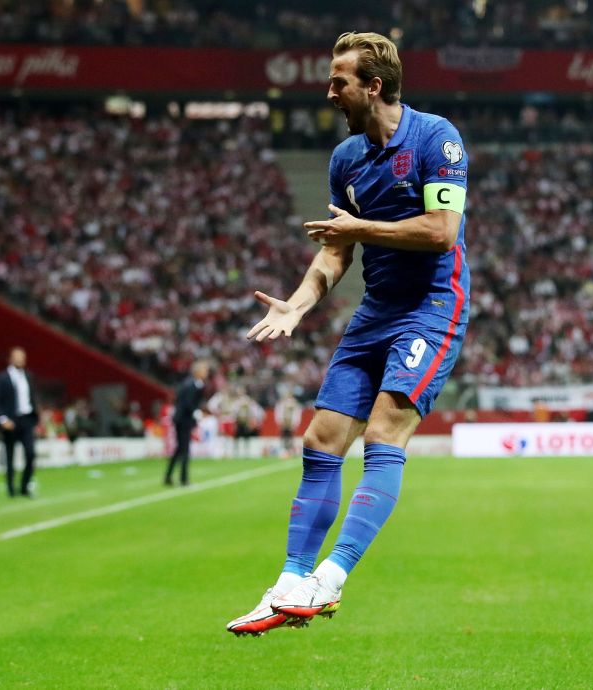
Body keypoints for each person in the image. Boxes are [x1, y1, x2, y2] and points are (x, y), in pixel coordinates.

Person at [227, 31, 469, 635]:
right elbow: (335, 251)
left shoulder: (437, 138)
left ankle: (329, 579)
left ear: (373, 86)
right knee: (321, 440)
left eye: (339, 82)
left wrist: (362, 227)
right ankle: (289, 583)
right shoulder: (346, 159)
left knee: (383, 433)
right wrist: (298, 304)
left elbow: (441, 231)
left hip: (431, 307)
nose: (330, 92)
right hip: (375, 311)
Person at [0, 347, 39, 498]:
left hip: (26, 419)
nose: (20, 360)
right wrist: (3, 419)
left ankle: (25, 486)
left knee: (31, 453)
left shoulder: (29, 376)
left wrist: (35, 417)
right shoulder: (2, 378)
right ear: (11, 359)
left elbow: (32, 398)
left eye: (22, 357)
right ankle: (11, 488)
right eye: (17, 357)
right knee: (10, 457)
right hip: (10, 421)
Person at [164, 360, 210, 487]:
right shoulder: (191, 384)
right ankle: (184, 479)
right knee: (185, 449)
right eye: (204, 370)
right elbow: (187, 402)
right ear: (198, 372)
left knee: (180, 449)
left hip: (183, 419)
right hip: (183, 420)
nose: (206, 372)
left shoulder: (194, 383)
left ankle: (168, 476)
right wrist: (196, 412)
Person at [274, 389, 304, 458]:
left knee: (290, 437)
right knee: (283, 436)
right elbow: (278, 412)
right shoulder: (281, 403)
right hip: (284, 422)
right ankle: (284, 451)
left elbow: (297, 413)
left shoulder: (295, 404)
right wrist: (280, 421)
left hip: (291, 422)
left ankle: (290, 451)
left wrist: (295, 423)